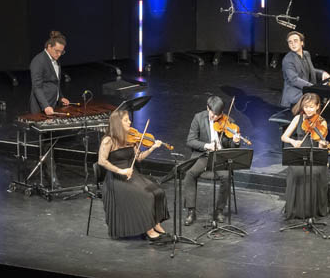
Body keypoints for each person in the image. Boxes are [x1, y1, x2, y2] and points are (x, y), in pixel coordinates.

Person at [98, 108, 169, 243]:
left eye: (129, 120)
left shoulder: (130, 138)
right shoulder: (109, 140)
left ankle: (156, 223)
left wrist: (152, 148)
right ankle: (148, 229)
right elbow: (102, 161)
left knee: (157, 191)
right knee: (146, 195)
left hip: (132, 175)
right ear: (118, 123)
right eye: (126, 120)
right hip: (116, 179)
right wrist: (121, 171)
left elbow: (139, 158)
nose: (129, 122)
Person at [184, 96, 239, 226]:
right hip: (203, 155)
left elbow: (231, 146)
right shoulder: (198, 118)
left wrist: (235, 142)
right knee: (189, 174)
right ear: (208, 108)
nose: (215, 118)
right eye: (213, 114)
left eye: (218, 115)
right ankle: (191, 211)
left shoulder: (228, 121)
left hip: (220, 156)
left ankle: (219, 210)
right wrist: (206, 145)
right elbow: (190, 141)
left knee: (226, 176)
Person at [280, 92, 330, 220]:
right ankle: (296, 209)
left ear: (317, 106)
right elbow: (284, 137)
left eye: (311, 107)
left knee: (315, 171)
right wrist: (293, 141)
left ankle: (310, 211)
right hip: (299, 154)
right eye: (306, 107)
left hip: (314, 155)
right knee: (295, 171)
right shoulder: (298, 118)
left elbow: (321, 148)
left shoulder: (322, 122)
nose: (308, 110)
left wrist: (323, 145)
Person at [281, 31, 330, 108]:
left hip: (306, 93)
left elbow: (310, 70)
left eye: (295, 41)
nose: (293, 44)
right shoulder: (288, 59)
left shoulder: (306, 54)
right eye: (290, 42)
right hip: (295, 97)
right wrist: (313, 88)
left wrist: (322, 73)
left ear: (302, 43)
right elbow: (294, 80)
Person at [30, 30, 71, 115]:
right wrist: (45, 106)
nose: (59, 54)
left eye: (61, 52)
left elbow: (55, 82)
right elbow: (37, 87)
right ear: (49, 46)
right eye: (57, 51)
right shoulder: (38, 61)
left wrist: (61, 97)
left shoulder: (56, 60)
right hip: (41, 108)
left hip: (53, 105)